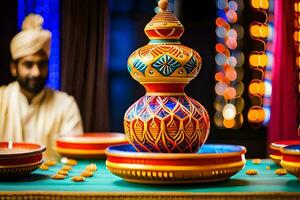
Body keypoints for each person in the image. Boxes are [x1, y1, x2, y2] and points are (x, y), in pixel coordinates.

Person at [0, 14, 83, 159]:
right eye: (28, 64)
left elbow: (73, 160)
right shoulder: (1, 100)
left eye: (42, 64)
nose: (36, 72)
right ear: (14, 68)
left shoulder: (65, 105)